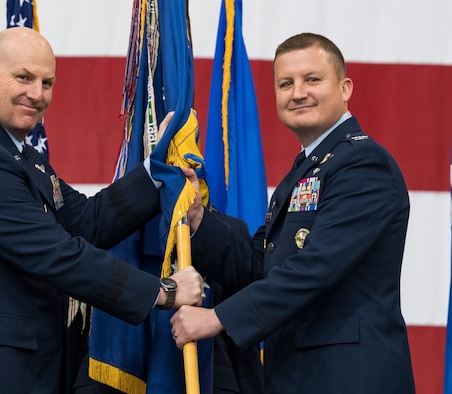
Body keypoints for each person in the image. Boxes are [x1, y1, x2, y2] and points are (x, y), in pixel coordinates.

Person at [0, 27, 204, 394]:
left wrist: (157, 173)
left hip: (25, 374)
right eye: (23, 77)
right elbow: (57, 254)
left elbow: (87, 222)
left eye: (46, 82)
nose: (36, 93)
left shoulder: (22, 159)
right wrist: (163, 292)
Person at [170, 32, 416, 393]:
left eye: (312, 79)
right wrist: (197, 218)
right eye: (286, 83)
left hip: (348, 378)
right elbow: (260, 266)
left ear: (345, 87)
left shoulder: (364, 164)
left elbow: (316, 267)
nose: (298, 92)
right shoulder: (308, 168)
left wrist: (217, 318)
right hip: (301, 376)